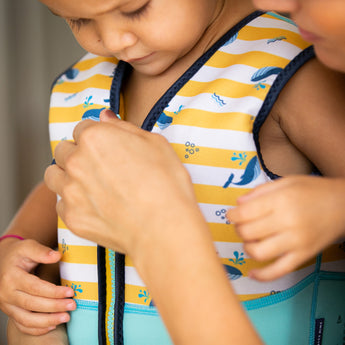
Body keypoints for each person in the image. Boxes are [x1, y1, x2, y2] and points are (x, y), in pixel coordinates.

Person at [2, 0, 345, 344]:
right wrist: (14, 243)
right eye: (77, 20)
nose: (113, 40)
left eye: (136, 9)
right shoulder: (86, 79)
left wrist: (332, 207)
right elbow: (69, 178)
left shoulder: (291, 67)